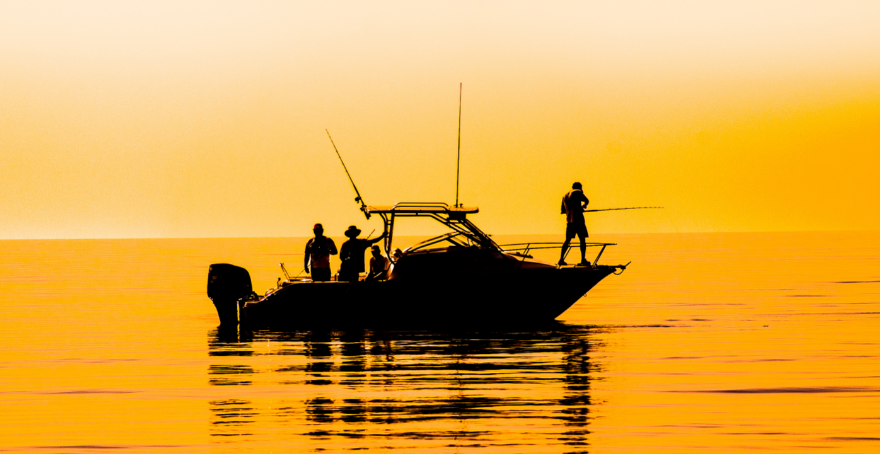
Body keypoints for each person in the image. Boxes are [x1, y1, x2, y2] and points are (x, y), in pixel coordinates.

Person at [559, 182, 591, 266]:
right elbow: (587, 201)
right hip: (578, 220)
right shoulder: (577, 192)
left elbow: (562, 211)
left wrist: (575, 208)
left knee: (567, 240)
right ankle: (583, 259)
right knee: (582, 240)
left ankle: (561, 259)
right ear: (579, 187)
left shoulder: (565, 196)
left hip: (569, 221)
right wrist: (583, 206)